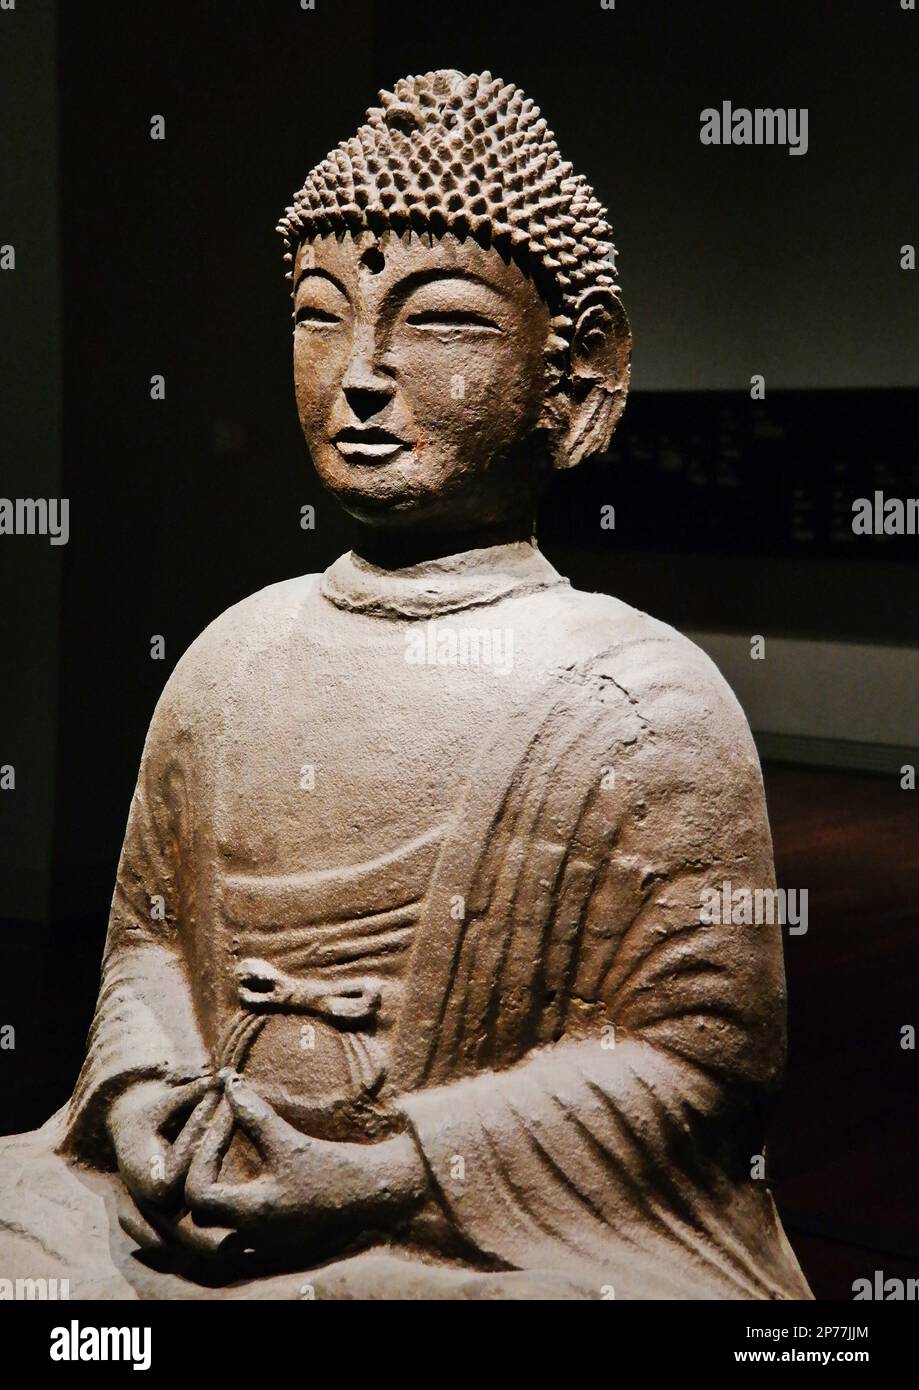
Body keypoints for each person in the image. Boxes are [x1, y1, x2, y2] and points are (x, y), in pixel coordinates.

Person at [0, 69, 812, 1300]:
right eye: (321, 314)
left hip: (464, 1240)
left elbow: (696, 1068)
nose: (362, 372)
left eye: (440, 322)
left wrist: (392, 1173)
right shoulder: (231, 658)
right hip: (190, 1192)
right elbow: (148, 956)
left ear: (578, 375)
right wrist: (138, 1105)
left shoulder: (641, 693)